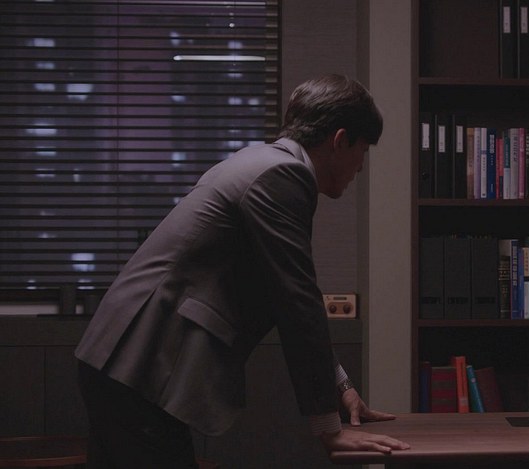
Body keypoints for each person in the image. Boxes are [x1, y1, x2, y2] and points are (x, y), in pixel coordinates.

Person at [75, 74, 410, 467]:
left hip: (127, 360)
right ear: (339, 141)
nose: (361, 167)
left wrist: (342, 385)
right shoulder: (283, 176)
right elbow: (298, 302)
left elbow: (285, 294)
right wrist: (329, 428)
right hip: (141, 364)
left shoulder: (260, 162)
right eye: (363, 151)